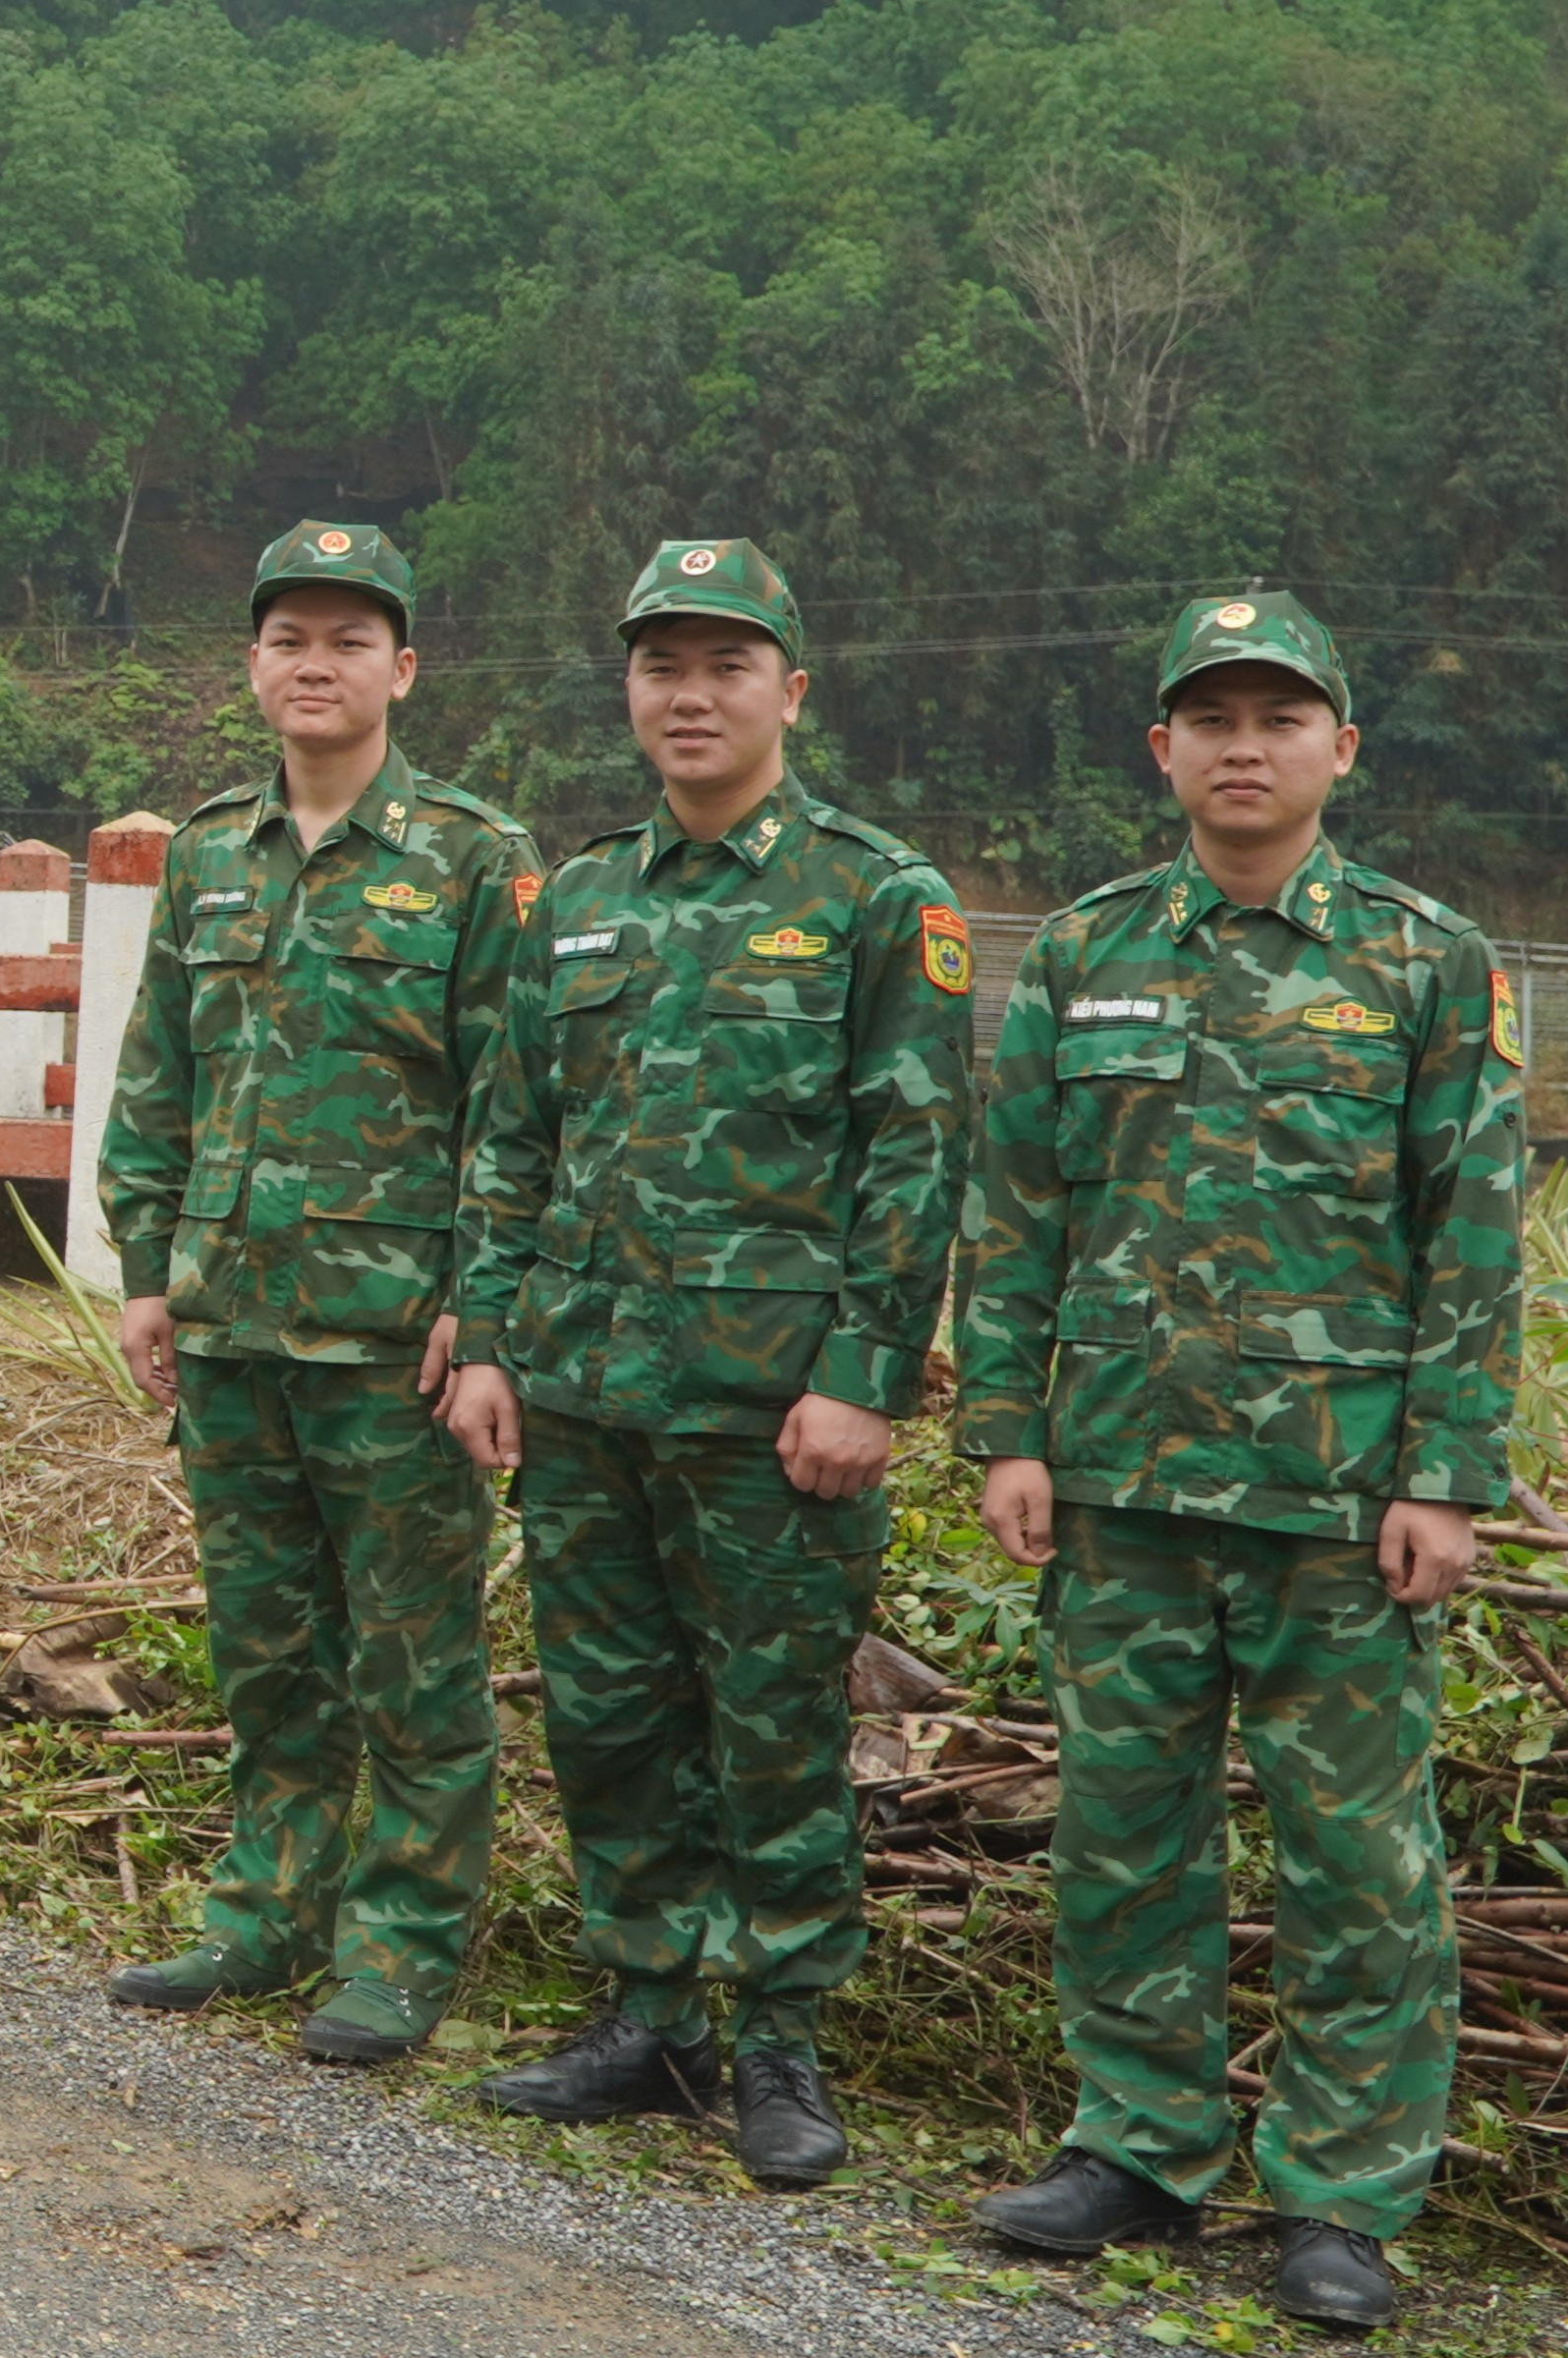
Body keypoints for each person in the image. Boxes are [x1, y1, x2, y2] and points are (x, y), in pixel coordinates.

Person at [950, 593, 1516, 2332]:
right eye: (1213, 718)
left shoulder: (1428, 963)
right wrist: (1006, 1429)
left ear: (1342, 747)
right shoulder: (1083, 952)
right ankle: (1138, 2143)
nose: (1245, 745)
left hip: (1339, 1504)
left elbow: (1472, 1240)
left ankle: (1341, 2198)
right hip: (1121, 1483)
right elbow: (1021, 1208)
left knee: (1358, 1860)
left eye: (1282, 716)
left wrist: (1445, 1476)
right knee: (1127, 1831)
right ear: (1165, 753)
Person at [441, 537, 972, 2187]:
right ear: (631, 689)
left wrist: (866, 1373)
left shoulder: (880, 898)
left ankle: (783, 2043)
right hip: (592, 1391)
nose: (691, 692)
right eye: (663, 664)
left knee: (772, 1720)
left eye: (726, 665)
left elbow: (917, 1156)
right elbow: (514, 1134)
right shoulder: (578, 899)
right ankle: (651, 2010)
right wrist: (493, 1339)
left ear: (789, 691)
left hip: (773, 1407)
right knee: (610, 1712)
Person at [88, 521, 532, 2067]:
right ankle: (265, 1908)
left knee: (413, 1657)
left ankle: (402, 1945)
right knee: (269, 1647)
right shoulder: (209, 851)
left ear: (403, 668)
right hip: (229, 1320)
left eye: (351, 640)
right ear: (254, 666)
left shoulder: (476, 860)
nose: (317, 665)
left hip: (392, 1337)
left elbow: (510, 1106)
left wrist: (486, 1307)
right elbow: (161, 1074)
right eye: (291, 639)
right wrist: (148, 1269)